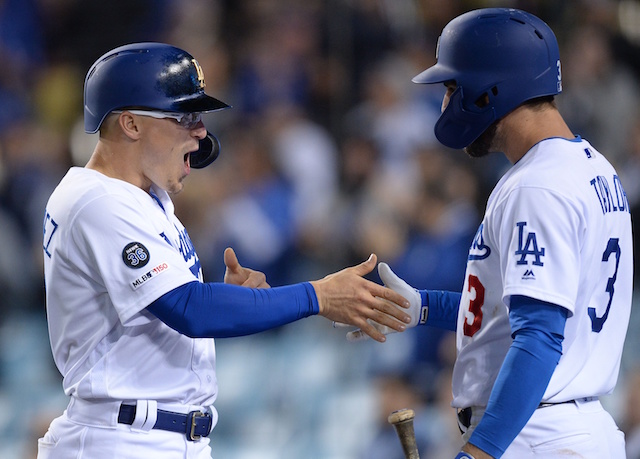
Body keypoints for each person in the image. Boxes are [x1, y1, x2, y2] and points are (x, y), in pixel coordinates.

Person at [37, 42, 414, 459]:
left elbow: (173, 313)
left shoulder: (145, 197)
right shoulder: (99, 200)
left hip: (162, 434)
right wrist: (319, 296)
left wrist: (232, 298)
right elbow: (191, 310)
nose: (201, 132)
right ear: (130, 123)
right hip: (123, 439)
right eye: (184, 117)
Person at [346, 8, 633, 459]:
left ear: (490, 88)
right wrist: (422, 308)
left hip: (538, 433)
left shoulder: (537, 185)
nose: (446, 103)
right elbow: (528, 308)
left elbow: (539, 335)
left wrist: (479, 453)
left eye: (453, 87)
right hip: (565, 426)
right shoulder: (592, 166)